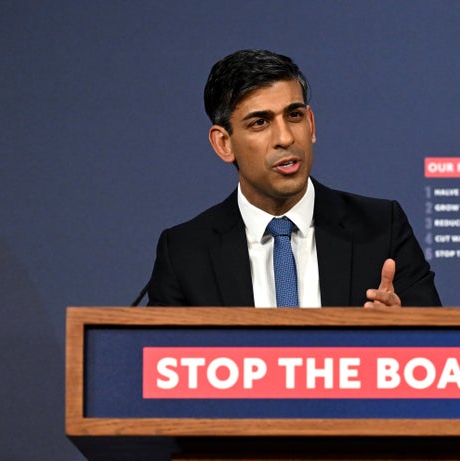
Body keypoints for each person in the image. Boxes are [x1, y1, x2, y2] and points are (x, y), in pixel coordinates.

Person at [147, 49, 440, 308]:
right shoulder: (186, 252)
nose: (285, 138)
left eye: (294, 116)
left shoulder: (381, 229)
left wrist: (401, 332)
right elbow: (156, 360)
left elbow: (440, 351)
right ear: (224, 143)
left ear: (311, 124)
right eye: (260, 122)